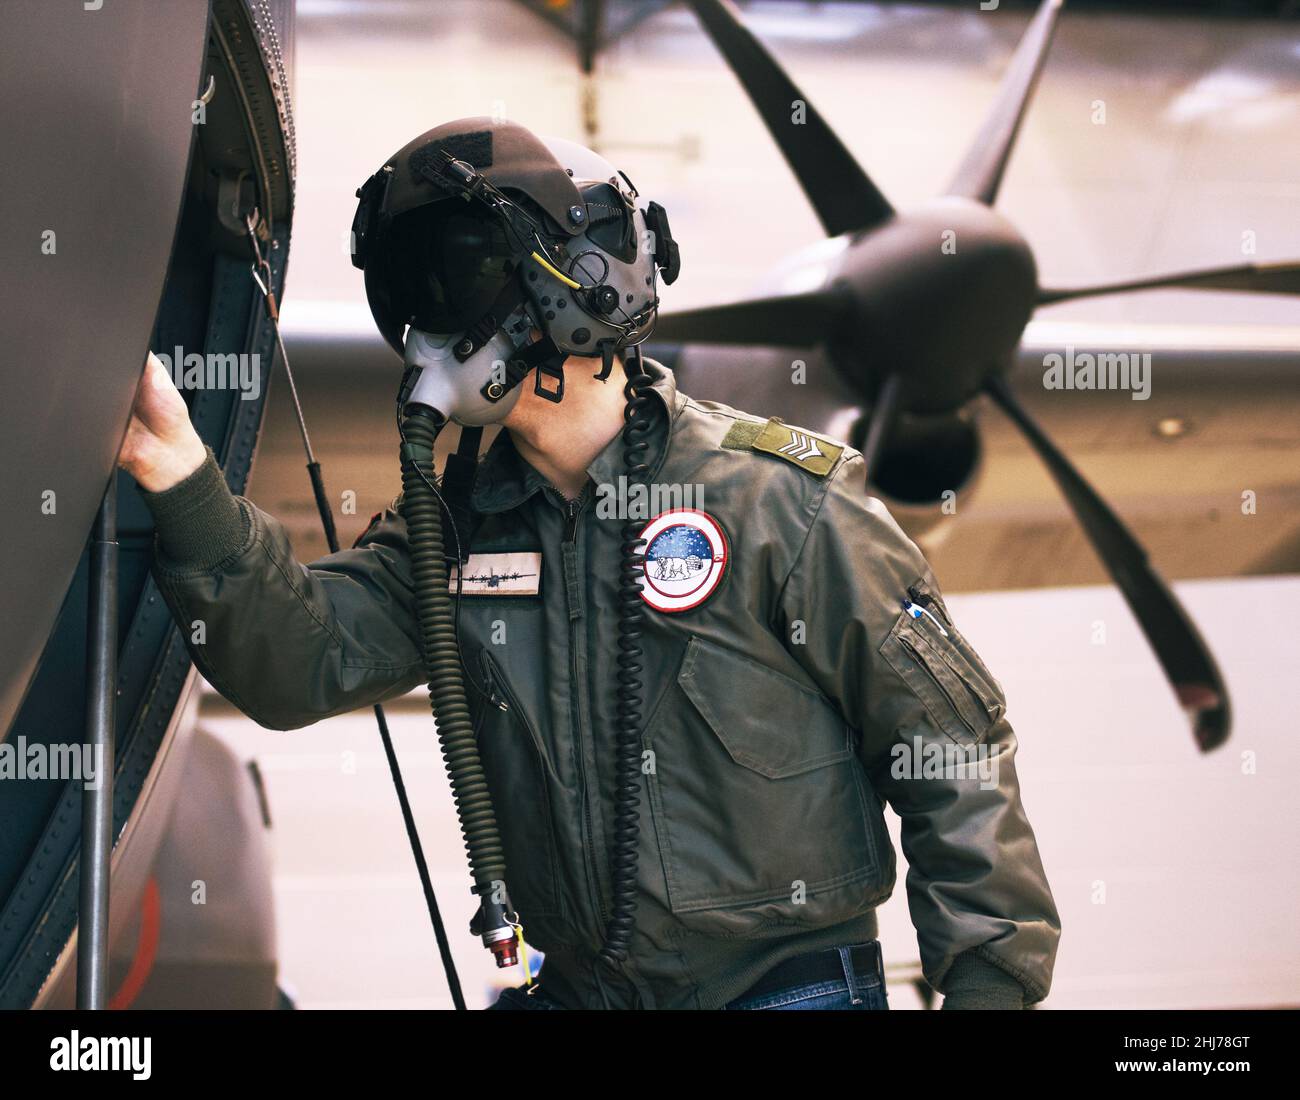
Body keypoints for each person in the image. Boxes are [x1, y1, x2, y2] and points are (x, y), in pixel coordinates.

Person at [118, 118, 1059, 1011]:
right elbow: (296, 661)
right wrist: (182, 475)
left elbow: (951, 752)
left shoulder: (782, 501)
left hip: (782, 986)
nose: (429, 323)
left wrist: (986, 990)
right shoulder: (457, 531)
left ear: (579, 288)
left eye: (460, 277)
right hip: (578, 985)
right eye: (413, 289)